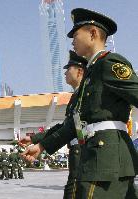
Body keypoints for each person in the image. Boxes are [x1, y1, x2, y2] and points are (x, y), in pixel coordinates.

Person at [22, 8, 138, 198]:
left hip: (106, 159)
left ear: (92, 33)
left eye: (76, 34)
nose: (73, 40)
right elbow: (75, 124)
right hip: (97, 158)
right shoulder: (91, 74)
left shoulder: (108, 64)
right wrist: (42, 146)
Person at [20, 50, 87, 198]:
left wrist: (41, 145)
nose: (65, 73)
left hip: (84, 153)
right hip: (78, 154)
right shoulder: (76, 95)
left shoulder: (85, 93)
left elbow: (73, 128)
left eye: (68, 69)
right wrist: (34, 139)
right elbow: (65, 126)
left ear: (80, 71)